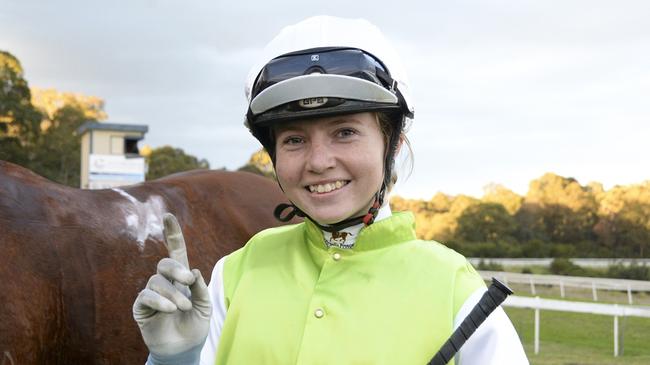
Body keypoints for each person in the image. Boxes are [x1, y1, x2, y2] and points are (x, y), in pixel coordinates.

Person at [133, 15, 529, 365]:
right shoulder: (233, 274)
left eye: (345, 132)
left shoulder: (457, 291)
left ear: (393, 145)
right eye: (293, 140)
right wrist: (175, 359)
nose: (318, 161)